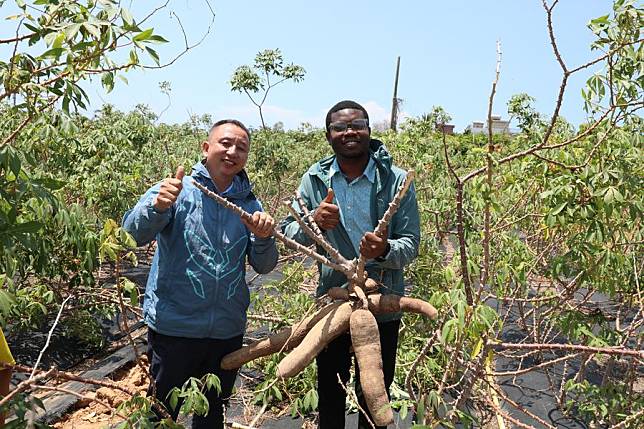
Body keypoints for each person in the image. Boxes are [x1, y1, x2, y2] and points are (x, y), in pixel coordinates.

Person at [122, 119, 278, 428]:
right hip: (174, 330)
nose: (232, 151)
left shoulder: (250, 204)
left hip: (225, 333)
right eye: (225, 143)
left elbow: (265, 266)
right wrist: (156, 207)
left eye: (241, 148)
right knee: (162, 415)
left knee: (211, 416)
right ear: (206, 148)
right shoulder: (177, 190)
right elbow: (131, 233)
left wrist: (263, 237)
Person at [282, 100, 420, 428]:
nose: (349, 132)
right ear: (328, 136)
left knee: (374, 393)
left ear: (370, 131)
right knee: (330, 392)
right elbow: (288, 233)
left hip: (381, 303)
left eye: (357, 125)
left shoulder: (396, 180)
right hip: (335, 302)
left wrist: (384, 249)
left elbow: (411, 244)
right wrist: (313, 221)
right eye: (340, 127)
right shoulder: (314, 179)